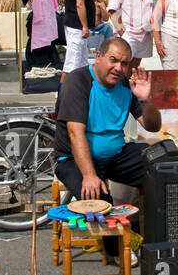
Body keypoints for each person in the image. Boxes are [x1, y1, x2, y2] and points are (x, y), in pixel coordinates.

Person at [53, 35, 162, 202]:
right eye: (113, 60)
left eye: (124, 63)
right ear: (98, 57)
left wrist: (145, 100)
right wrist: (89, 175)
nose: (118, 68)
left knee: (164, 168)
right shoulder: (78, 81)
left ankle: (152, 224)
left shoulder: (126, 85)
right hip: (73, 160)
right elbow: (75, 134)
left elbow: (153, 126)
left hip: (115, 157)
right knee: (101, 205)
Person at [62, 0, 96, 79]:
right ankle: (62, 91)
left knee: (81, 62)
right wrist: (85, 26)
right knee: (73, 63)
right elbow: (80, 4)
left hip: (75, 27)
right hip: (77, 27)